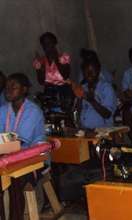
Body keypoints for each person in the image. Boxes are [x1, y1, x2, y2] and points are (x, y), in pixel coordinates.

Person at [0, 73, 45, 220]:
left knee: (15, 180)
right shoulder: (3, 110)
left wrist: (2, 141)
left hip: (33, 159)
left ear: (24, 89)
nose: (8, 89)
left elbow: (19, 140)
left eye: (14, 87)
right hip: (8, 156)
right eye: (7, 86)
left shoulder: (33, 111)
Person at [33, 32, 72, 112]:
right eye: (44, 44)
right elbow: (41, 82)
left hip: (64, 92)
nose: (47, 46)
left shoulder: (63, 58)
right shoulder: (40, 61)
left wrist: (56, 60)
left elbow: (65, 76)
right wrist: (41, 68)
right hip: (50, 93)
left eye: (49, 43)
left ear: (55, 43)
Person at [79, 59, 117, 129]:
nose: (89, 74)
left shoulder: (106, 88)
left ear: (98, 71)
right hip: (85, 131)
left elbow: (107, 114)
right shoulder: (83, 88)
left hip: (103, 131)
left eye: (92, 71)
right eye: (86, 71)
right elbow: (80, 110)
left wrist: (92, 101)